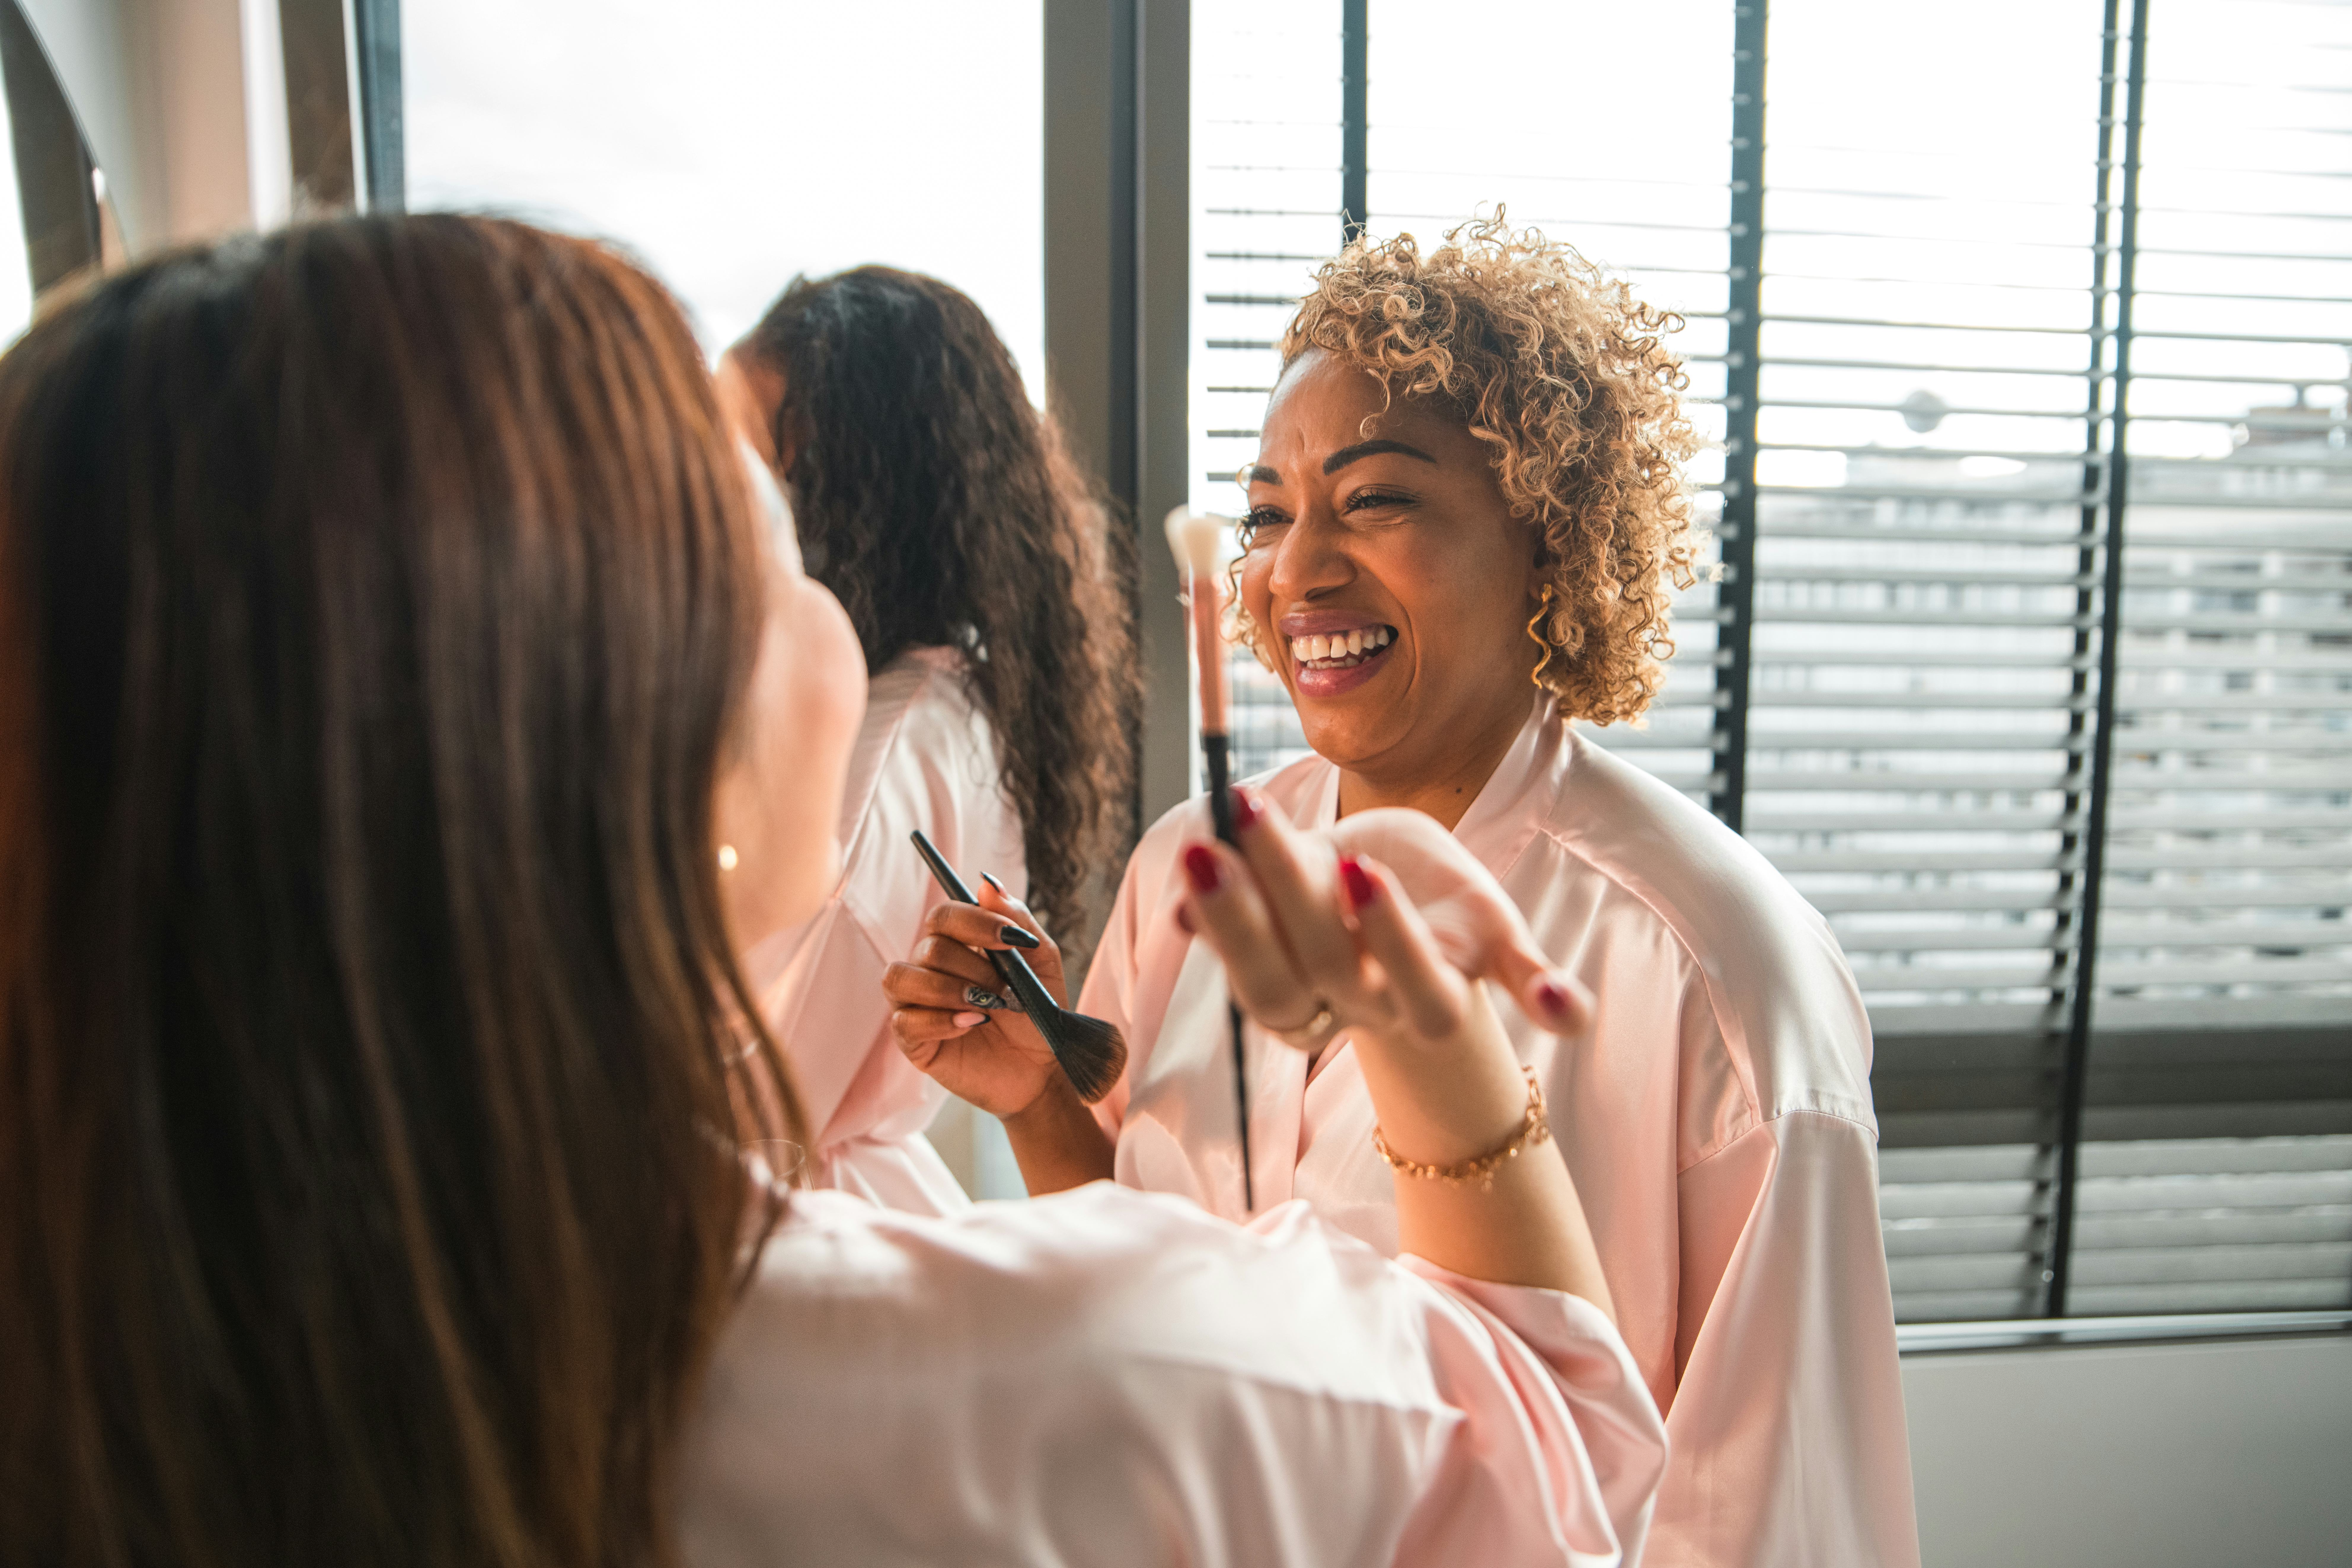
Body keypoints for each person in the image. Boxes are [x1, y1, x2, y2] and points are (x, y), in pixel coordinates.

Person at [0, 213, 1665, 1567]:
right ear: (605, 735)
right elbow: (1557, 1457)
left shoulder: (102, 1346)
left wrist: (1043, 1113)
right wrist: (1439, 1049)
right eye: (772, 552)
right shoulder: (1068, 1372)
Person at [890, 216, 1923, 1568]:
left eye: (1374, 499)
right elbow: (1147, 1297)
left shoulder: (1715, 966)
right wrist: (1039, 1102)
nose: (1296, 571)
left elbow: (1771, 1511)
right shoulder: (1189, 871)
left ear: (1549, 531)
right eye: (1268, 515)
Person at [712, 266, 1135, 1212]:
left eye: (751, 467)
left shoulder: (885, 755)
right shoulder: (945, 703)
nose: (717, 506)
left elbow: (745, 1093)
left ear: (849, 493)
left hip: (795, 1220)